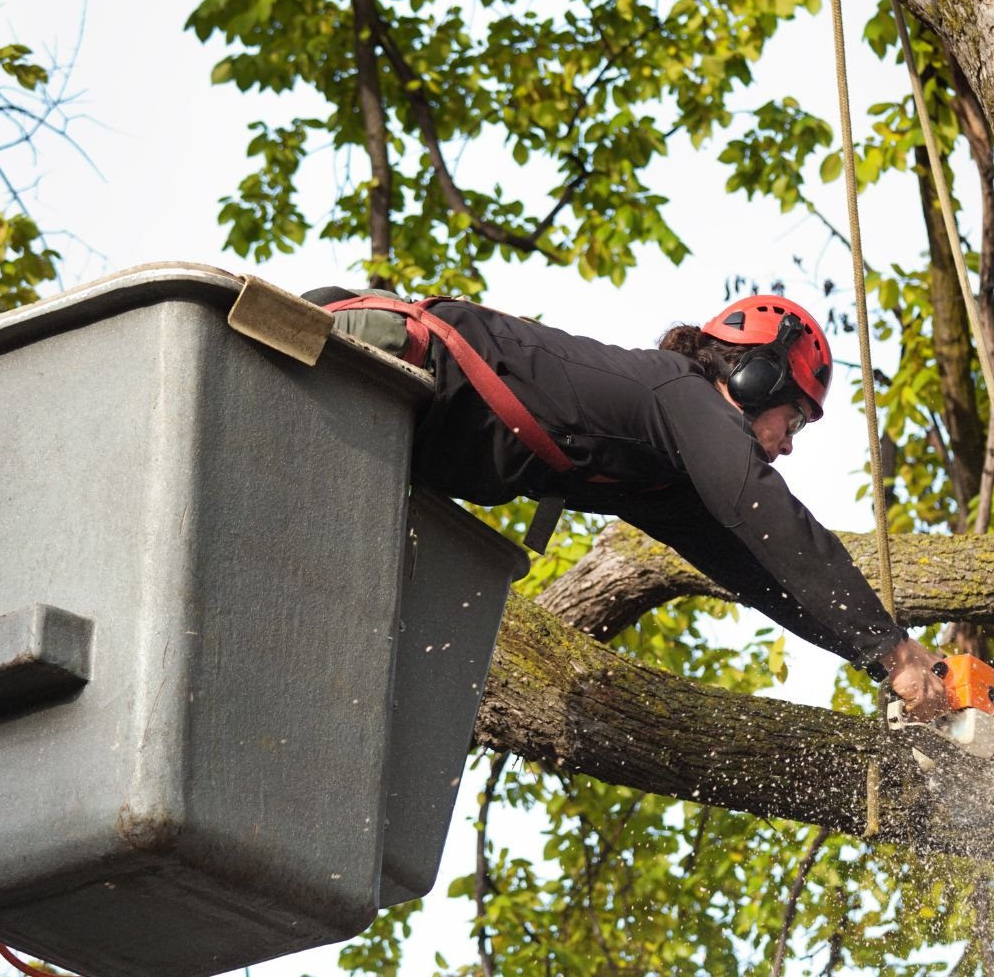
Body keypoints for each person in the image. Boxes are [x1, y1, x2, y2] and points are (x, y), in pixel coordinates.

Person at [303, 287, 951, 722]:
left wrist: (875, 659)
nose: (786, 446)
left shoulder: (669, 472)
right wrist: (896, 649)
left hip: (393, 429)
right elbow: (769, 513)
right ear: (760, 376)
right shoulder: (685, 393)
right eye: (795, 420)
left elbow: (765, 574)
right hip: (376, 357)